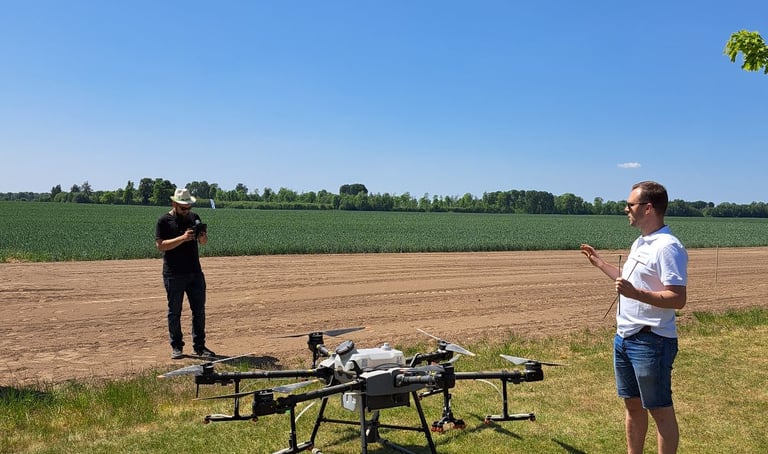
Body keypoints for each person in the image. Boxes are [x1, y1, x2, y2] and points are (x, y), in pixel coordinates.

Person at [580, 181, 687, 454]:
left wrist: (636, 293)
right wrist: (600, 263)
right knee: (632, 406)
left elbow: (678, 298)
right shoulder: (641, 242)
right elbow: (627, 283)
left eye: (630, 205)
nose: (626, 209)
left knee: (660, 409)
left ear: (648, 208)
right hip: (625, 338)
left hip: (651, 340)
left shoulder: (667, 247)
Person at [155, 187, 216, 359]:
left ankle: (200, 346)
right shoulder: (164, 221)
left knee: (199, 311)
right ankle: (177, 347)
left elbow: (203, 243)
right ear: (173, 203)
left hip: (195, 272)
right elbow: (161, 246)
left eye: (189, 207)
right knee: (174, 311)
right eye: (183, 207)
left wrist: (202, 236)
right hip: (173, 274)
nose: (187, 210)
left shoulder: (194, 218)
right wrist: (182, 238)